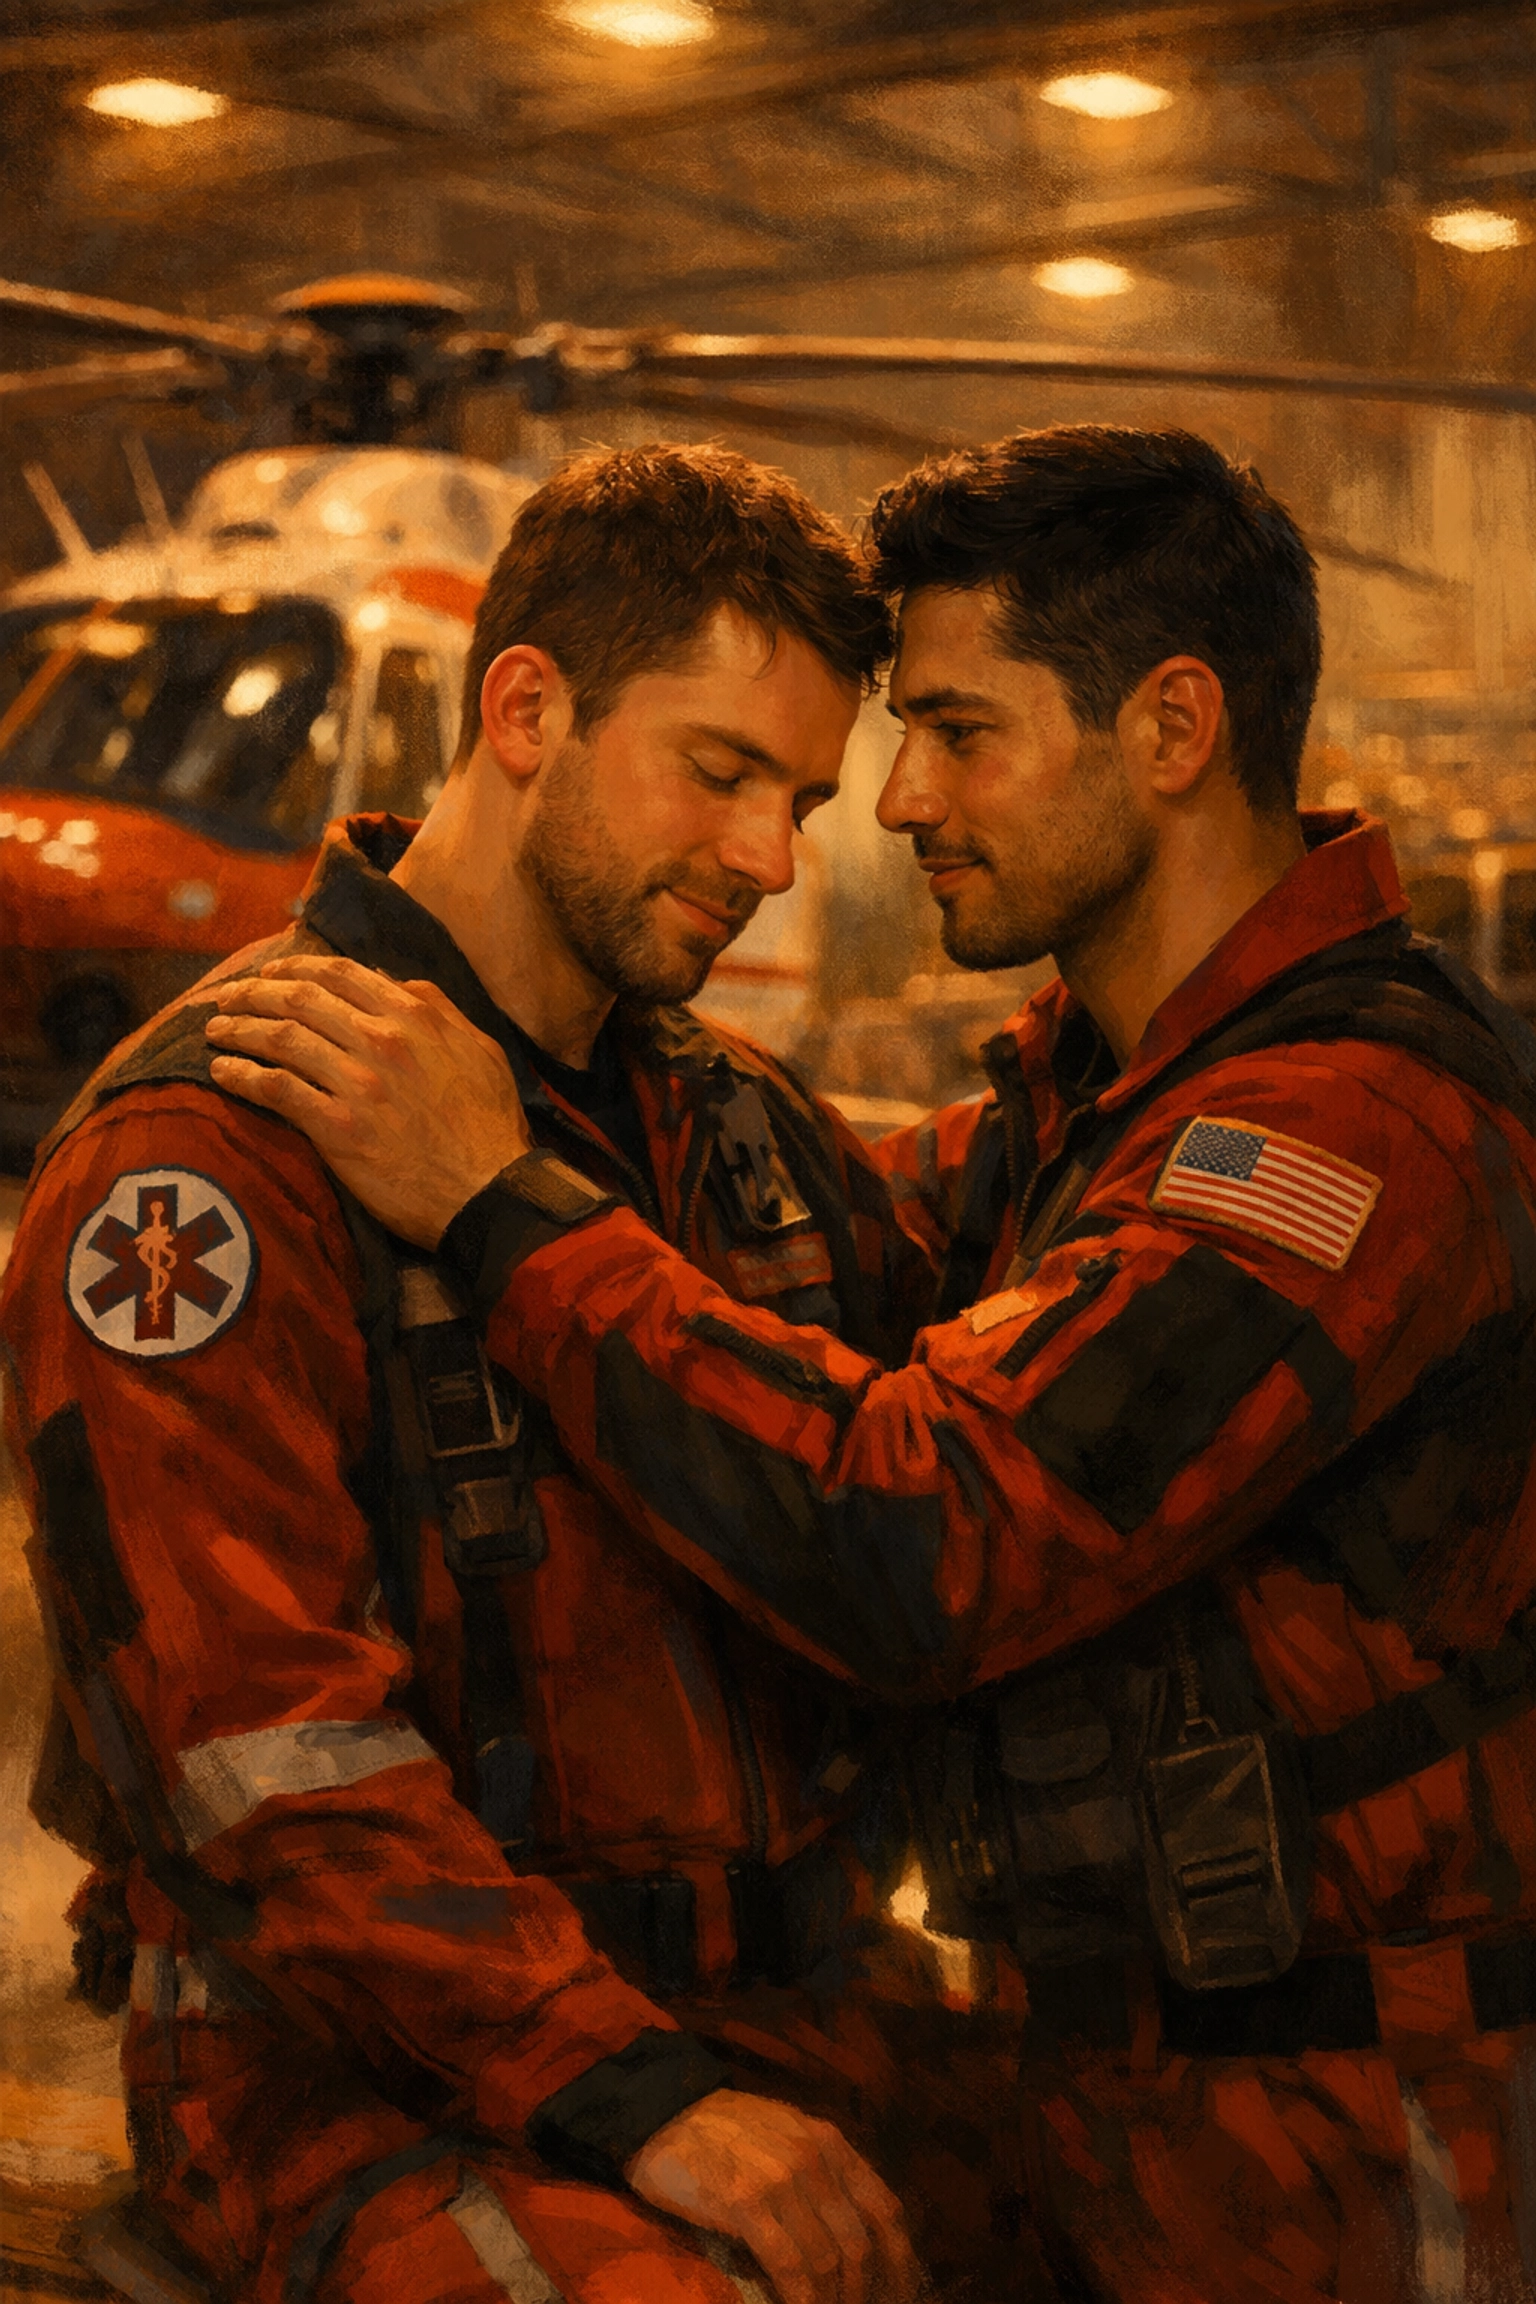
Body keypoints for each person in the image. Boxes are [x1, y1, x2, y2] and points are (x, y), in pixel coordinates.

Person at [211, 423, 1536, 2303]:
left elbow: (924, 1529)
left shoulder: (1335, 1148)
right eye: (745, 767)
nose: (883, 809)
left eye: (958, 732)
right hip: (1097, 2097)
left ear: (1172, 731)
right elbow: (809, 1272)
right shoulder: (1093, 1113)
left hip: (1342, 2146)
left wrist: (502, 1199)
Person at [0, 444, 949, 2304]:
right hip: (360, 2082)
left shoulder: (736, 1130)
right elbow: (267, 1774)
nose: (772, 860)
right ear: (524, 707)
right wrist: (635, 2092)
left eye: (803, 800)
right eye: (722, 773)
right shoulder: (210, 1164)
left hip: (784, 2012)